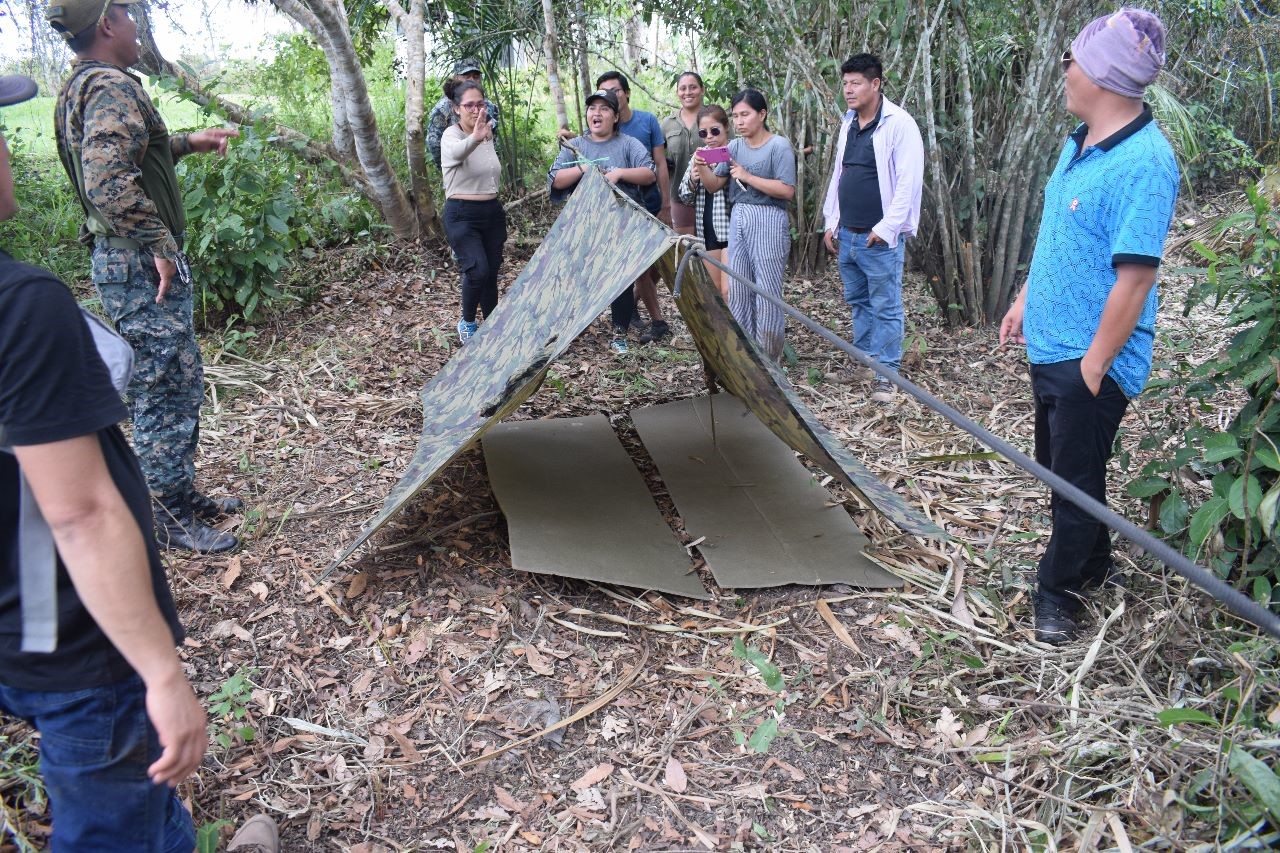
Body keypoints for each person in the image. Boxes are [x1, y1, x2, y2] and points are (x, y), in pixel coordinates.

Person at [0, 72, 280, 853]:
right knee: (108, 809)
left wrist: (184, 144)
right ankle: (177, 504)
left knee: (140, 796)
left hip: (18, 619)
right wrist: (159, 668)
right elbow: (79, 511)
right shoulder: (21, 308)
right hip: (71, 635)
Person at [999, 8, 1177, 645]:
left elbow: (1135, 279)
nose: (1064, 70)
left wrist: (1094, 365)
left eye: (1072, 60)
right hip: (1052, 344)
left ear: (1102, 76)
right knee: (1063, 468)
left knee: (1071, 485)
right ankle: (1096, 562)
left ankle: (1058, 591)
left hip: (1089, 357)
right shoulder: (1076, 144)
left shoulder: (1146, 163)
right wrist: (1024, 298)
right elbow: (1056, 237)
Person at [49, 0, 241, 554]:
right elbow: (107, 178)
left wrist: (185, 142)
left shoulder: (82, 86)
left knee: (177, 379)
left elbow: (129, 160)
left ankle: (178, 491)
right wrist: (157, 242)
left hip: (124, 257)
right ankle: (168, 515)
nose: (137, 25)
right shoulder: (112, 86)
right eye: (130, 14)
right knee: (162, 389)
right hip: (138, 262)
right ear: (107, 24)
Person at [821, 53, 924, 404]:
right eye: (845, 83)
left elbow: (908, 183)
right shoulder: (848, 122)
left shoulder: (898, 123)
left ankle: (887, 374)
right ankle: (864, 362)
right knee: (858, 301)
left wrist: (886, 228)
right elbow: (840, 173)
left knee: (885, 305)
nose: (848, 90)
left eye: (856, 83)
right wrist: (830, 221)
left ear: (875, 84)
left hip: (877, 235)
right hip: (847, 231)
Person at [548, 88, 657, 355]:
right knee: (577, 278)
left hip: (622, 223)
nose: (596, 113)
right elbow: (555, 179)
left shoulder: (629, 144)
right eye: (592, 108)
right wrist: (584, 167)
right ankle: (568, 332)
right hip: (584, 225)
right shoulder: (577, 146)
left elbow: (649, 173)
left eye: (604, 109)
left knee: (620, 279)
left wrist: (620, 173)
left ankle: (619, 333)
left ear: (616, 116)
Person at [700, 88, 795, 362]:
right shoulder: (732, 147)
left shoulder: (779, 146)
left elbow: (787, 190)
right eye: (736, 116)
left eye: (746, 115)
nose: (740, 121)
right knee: (739, 287)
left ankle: (770, 356)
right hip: (738, 218)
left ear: (762, 114)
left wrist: (747, 176)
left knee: (766, 290)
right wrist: (702, 166)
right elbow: (715, 185)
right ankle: (745, 357)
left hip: (769, 219)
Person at [595, 71, 672, 344]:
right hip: (617, 212)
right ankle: (655, 319)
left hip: (648, 200)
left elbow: (659, 164)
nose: (610, 97)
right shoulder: (600, 126)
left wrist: (666, 203)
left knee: (652, 263)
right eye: (603, 92)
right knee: (636, 265)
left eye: (614, 91)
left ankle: (636, 306)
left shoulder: (646, 121)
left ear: (626, 93)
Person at [441, 79, 506, 344]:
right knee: (477, 270)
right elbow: (456, 154)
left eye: (480, 104)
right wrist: (475, 138)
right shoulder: (451, 135)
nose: (475, 109)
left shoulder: (488, 133)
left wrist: (482, 136)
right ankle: (468, 321)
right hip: (461, 213)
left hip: (491, 211)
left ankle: (491, 326)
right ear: (456, 108)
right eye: (469, 105)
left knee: (491, 272)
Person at [679, 103, 732, 299]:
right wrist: (693, 178)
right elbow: (684, 196)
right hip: (706, 230)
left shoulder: (735, 152)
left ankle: (740, 329)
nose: (709, 137)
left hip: (730, 228)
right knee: (716, 291)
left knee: (730, 290)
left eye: (714, 131)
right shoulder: (697, 157)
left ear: (726, 127)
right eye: (703, 133)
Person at [427, 57, 501, 170]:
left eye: (476, 76)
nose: (471, 80)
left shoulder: (489, 106)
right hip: (458, 168)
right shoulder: (442, 109)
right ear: (456, 77)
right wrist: (447, 169)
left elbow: (493, 138)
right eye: (466, 76)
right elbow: (434, 144)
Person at [662, 71, 707, 238]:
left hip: (712, 196)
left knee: (711, 251)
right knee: (686, 249)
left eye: (693, 87)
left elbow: (728, 151)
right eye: (683, 88)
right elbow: (658, 158)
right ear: (677, 93)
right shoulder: (668, 123)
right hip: (679, 198)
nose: (687, 92)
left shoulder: (714, 118)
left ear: (702, 90)